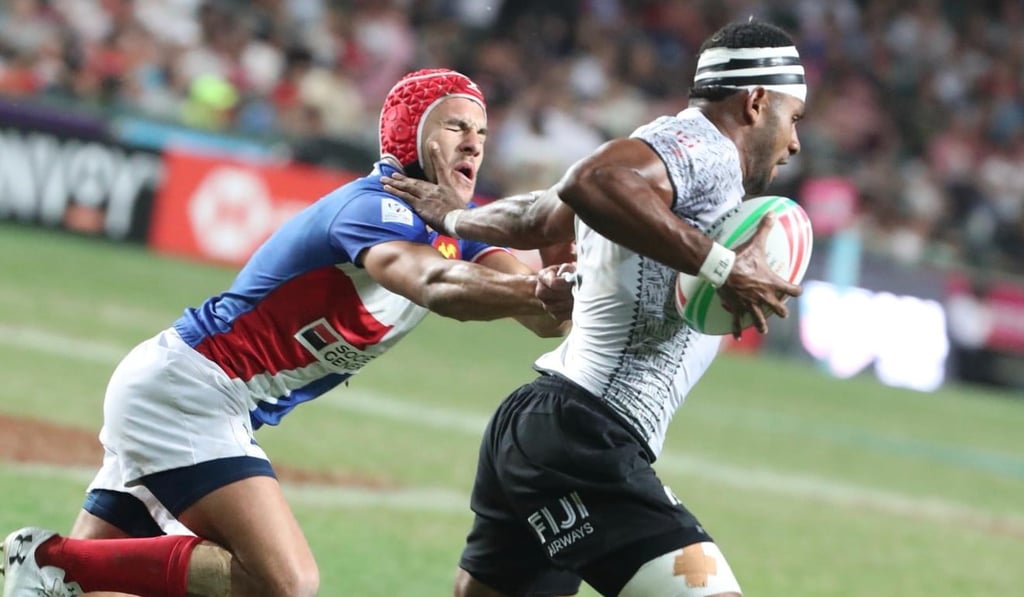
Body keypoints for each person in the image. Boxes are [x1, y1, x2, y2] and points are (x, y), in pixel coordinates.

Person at [0, 68, 576, 597]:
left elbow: (546, 317)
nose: (474, 141)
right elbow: (436, 286)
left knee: (95, 587)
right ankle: (50, 558)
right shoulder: (378, 206)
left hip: (191, 391)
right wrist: (540, 286)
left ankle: (55, 569)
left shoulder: (459, 226)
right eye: (455, 125)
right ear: (410, 134)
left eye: (481, 130)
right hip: (194, 391)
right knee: (286, 581)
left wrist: (563, 263)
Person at [382, 20, 806, 597]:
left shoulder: (672, 156)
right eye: (794, 118)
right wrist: (723, 266)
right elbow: (592, 180)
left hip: (544, 426)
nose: (795, 143)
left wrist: (456, 216)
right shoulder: (705, 149)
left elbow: (540, 216)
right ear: (756, 103)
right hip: (586, 439)